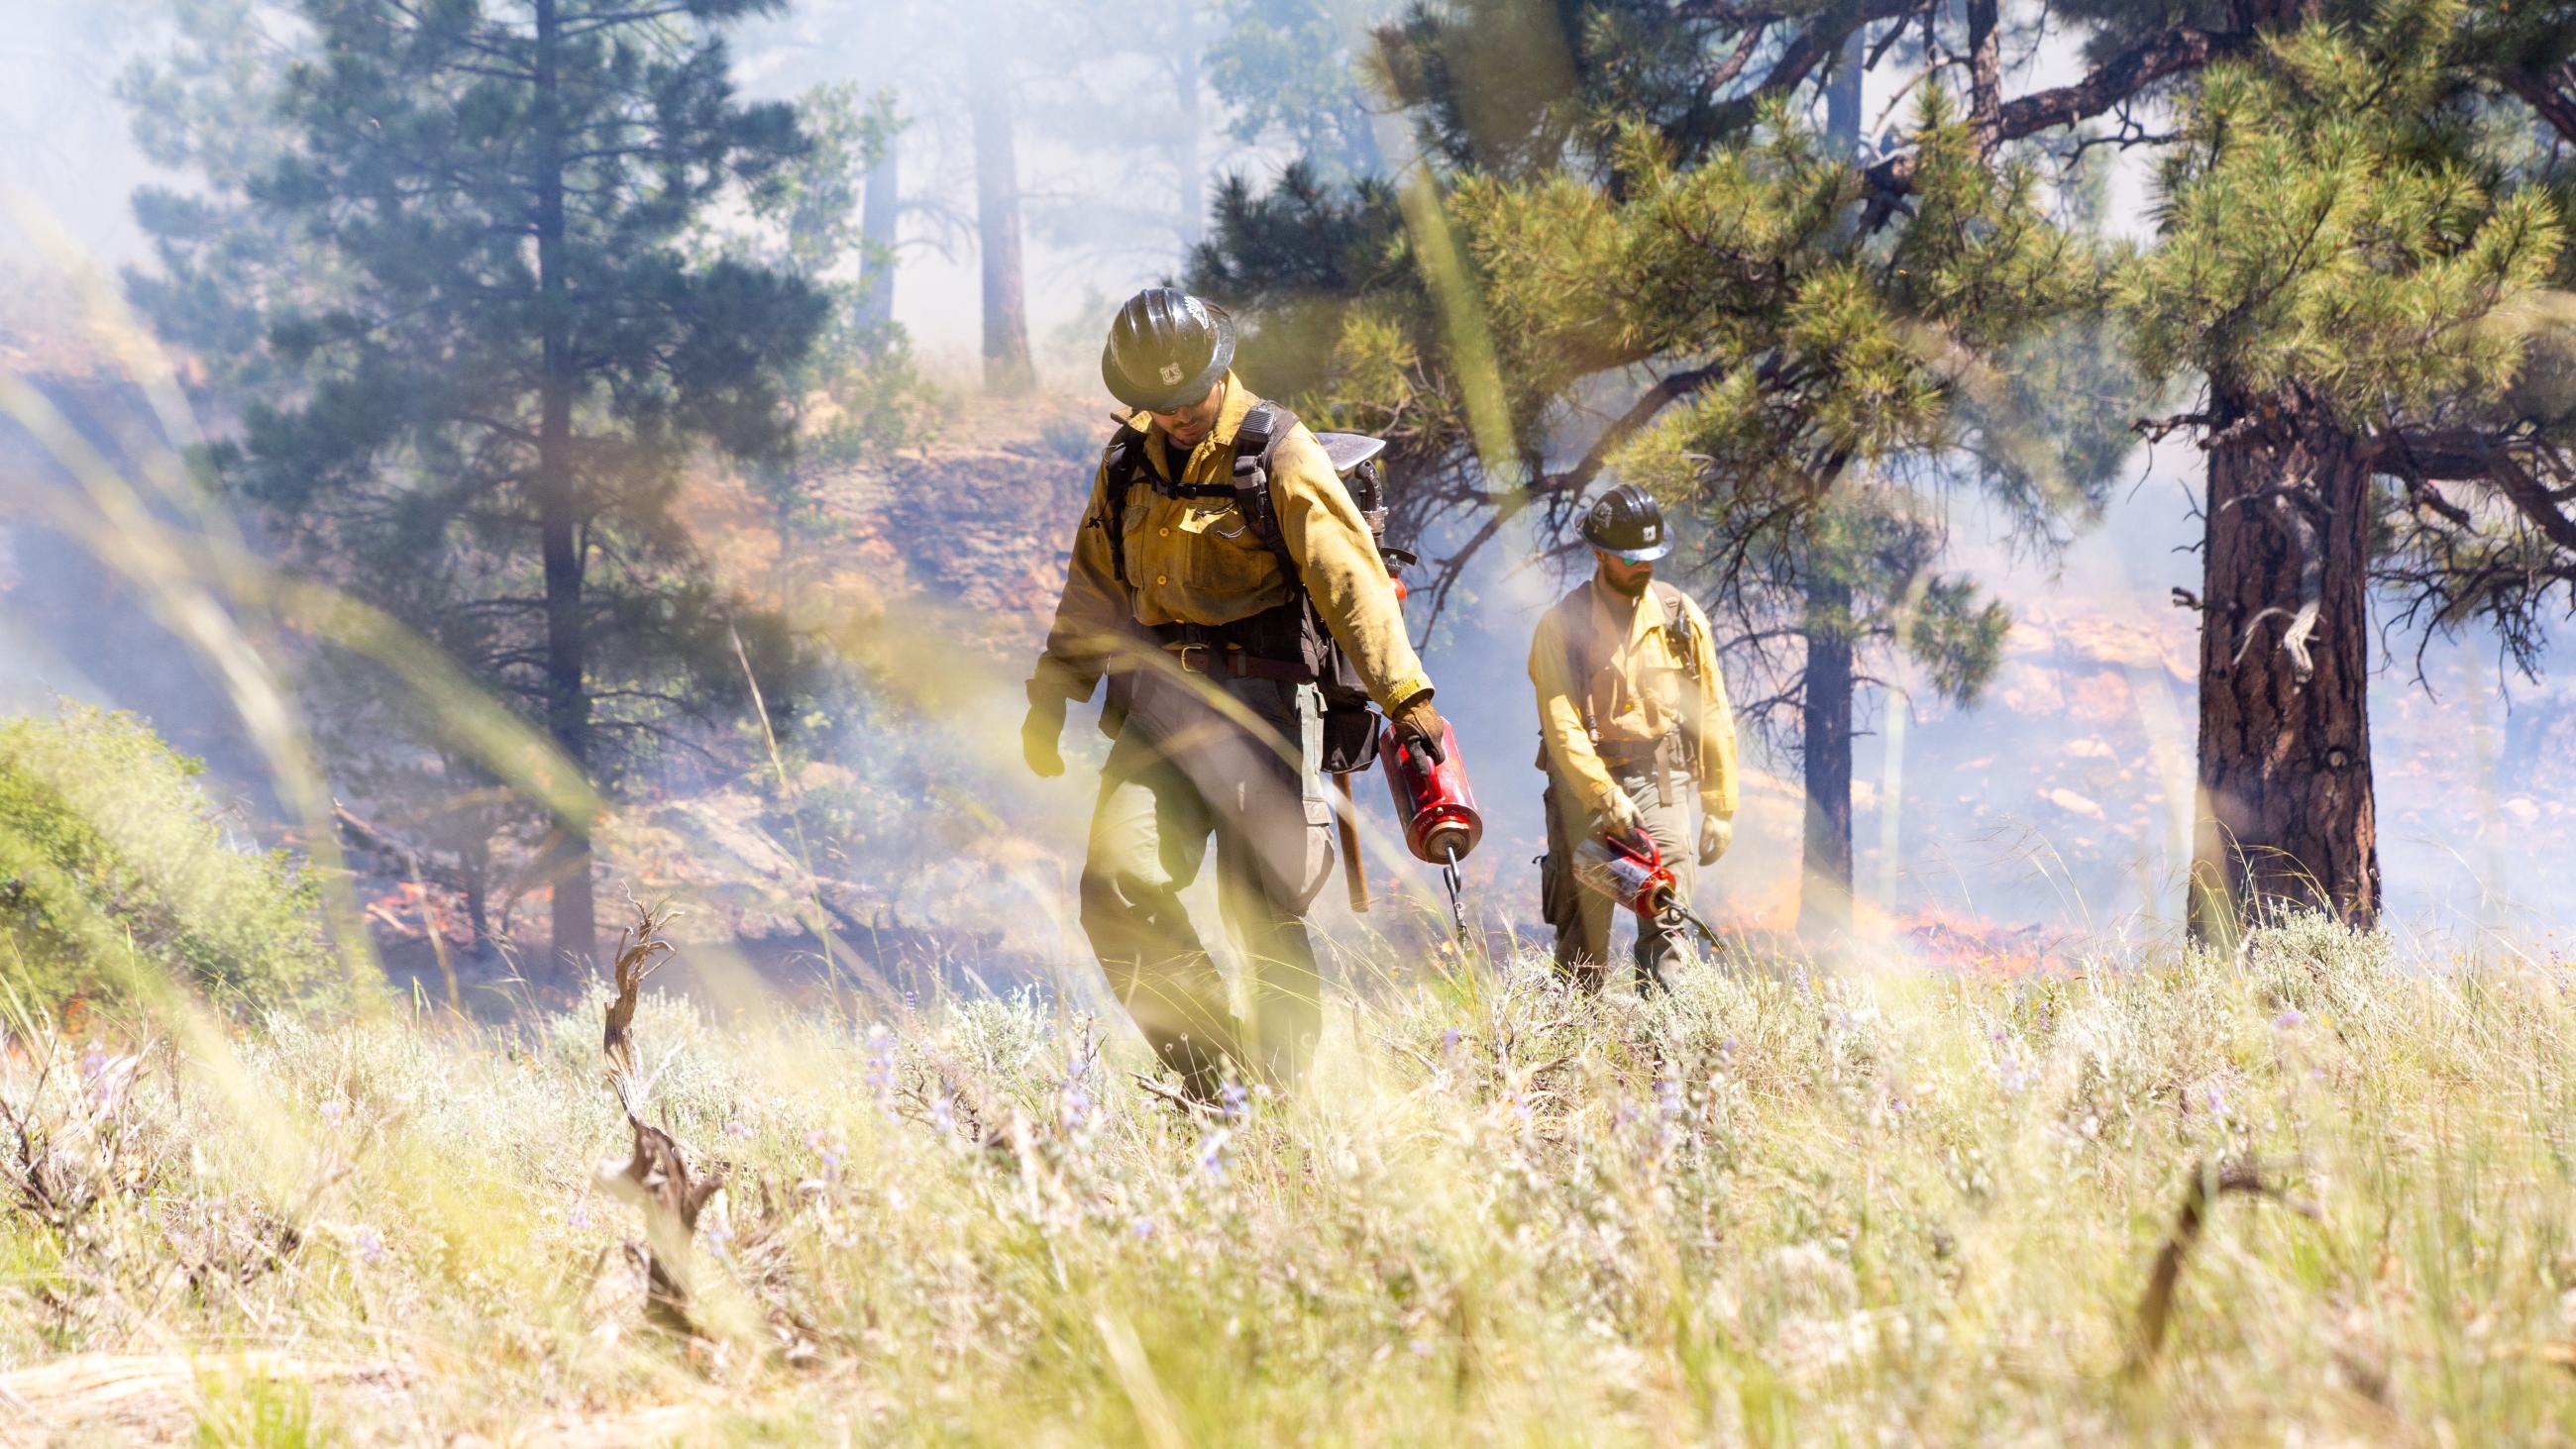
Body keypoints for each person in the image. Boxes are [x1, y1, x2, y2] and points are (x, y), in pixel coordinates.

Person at [1022, 287, 1447, 1099]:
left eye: (1189, 398)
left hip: (1269, 715)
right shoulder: (1126, 463)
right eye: (1158, 404)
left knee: (1264, 917)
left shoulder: (1278, 451)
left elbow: (1349, 579)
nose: (1178, 416)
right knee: (1115, 887)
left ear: (1219, 368)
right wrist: (1055, 690)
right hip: (1160, 713)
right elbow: (1093, 588)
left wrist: (1407, 698)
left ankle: (1280, 1098)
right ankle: (1213, 1076)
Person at [1531, 483, 1741, 990]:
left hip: (1659, 780)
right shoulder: (1561, 627)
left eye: (1651, 555)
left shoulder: (1680, 617)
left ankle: (1668, 1056)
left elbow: (1710, 708)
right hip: (1585, 795)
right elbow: (1561, 724)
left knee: (1668, 921)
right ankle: (1575, 1059)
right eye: (1630, 558)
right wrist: (1603, 794)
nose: (1644, 567)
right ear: (1600, 553)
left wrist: (1720, 804)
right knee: (1583, 939)